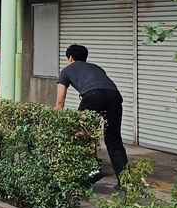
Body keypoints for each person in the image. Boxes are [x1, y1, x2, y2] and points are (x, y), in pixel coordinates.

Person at [55, 44, 128, 188]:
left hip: (93, 96)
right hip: (114, 96)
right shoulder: (96, 67)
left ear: (70, 58)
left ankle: (91, 171)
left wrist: (56, 123)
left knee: (82, 135)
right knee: (114, 140)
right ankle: (125, 181)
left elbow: (60, 101)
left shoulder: (67, 70)